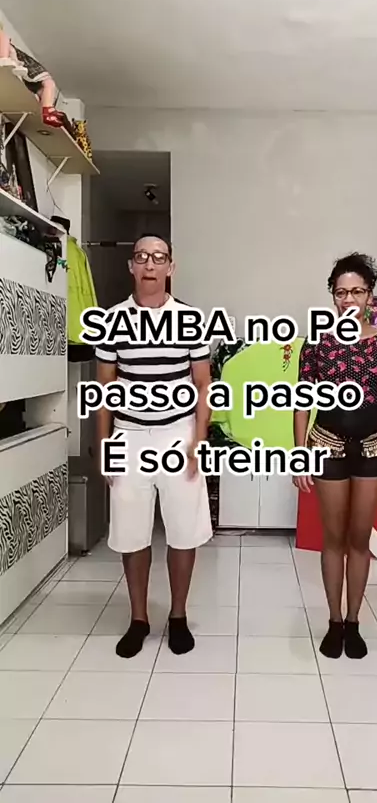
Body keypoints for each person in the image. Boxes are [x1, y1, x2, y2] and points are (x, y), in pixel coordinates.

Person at [95, 234, 212, 659]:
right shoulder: (111, 321)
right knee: (131, 534)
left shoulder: (191, 319)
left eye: (158, 257)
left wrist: (199, 439)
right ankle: (139, 618)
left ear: (170, 267)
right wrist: (104, 446)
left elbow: (203, 384)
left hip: (179, 433)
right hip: (129, 434)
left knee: (184, 532)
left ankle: (178, 616)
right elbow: (104, 391)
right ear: (131, 265)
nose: (150, 264)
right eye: (142, 257)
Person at [294, 253, 377, 660]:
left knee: (359, 539)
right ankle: (333, 621)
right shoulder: (318, 339)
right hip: (326, 444)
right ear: (332, 296)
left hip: (373, 447)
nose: (348, 299)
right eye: (341, 292)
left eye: (356, 292)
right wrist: (299, 454)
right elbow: (302, 400)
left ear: (370, 296)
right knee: (333, 539)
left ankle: (354, 621)